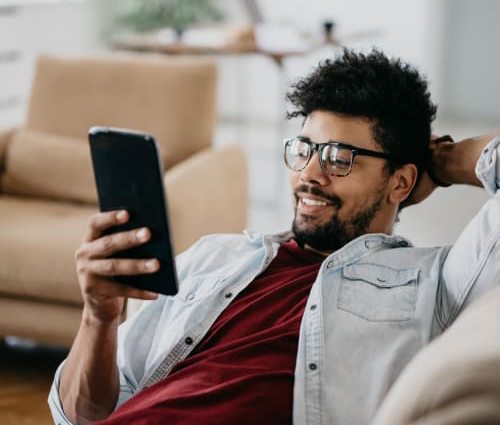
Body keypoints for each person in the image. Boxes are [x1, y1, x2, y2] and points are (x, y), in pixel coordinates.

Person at [49, 49, 500, 425]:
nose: (310, 174)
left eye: (340, 158)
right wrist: (99, 317)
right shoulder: (215, 258)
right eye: (304, 150)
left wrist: (441, 161)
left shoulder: (435, 284)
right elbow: (82, 416)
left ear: (400, 183)